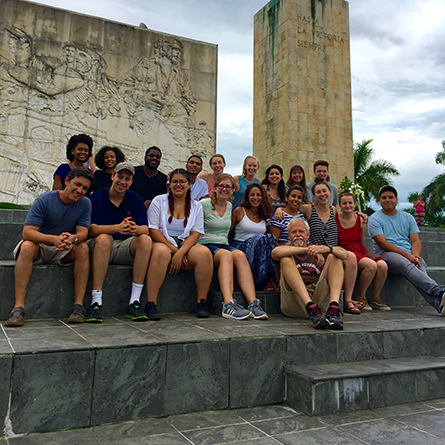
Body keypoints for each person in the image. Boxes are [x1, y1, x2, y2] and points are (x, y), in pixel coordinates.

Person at [5, 168, 95, 327]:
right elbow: (27, 232)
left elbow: (83, 233)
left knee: (83, 248)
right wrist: (52, 239)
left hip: (63, 249)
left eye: (85, 188)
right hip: (40, 246)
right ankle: (18, 309)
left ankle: (78, 307)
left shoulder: (85, 203)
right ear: (67, 181)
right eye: (77, 184)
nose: (80, 190)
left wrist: (72, 238)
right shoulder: (45, 199)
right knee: (26, 247)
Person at [86, 162, 153, 323]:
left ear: (131, 182)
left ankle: (134, 302)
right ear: (112, 176)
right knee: (103, 238)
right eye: (120, 177)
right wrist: (117, 227)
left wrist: (133, 228)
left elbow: (145, 229)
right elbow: (92, 229)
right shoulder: (96, 197)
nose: (122, 182)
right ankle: (96, 302)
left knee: (145, 240)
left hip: (124, 247)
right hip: (100, 247)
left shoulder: (135, 198)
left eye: (127, 179)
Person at [199, 173, 268, 320]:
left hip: (223, 243)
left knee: (240, 255)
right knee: (226, 255)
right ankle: (228, 304)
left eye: (228, 187)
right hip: (205, 243)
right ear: (215, 188)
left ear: (232, 191)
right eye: (221, 186)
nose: (225, 189)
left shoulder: (230, 206)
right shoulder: (204, 204)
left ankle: (253, 303)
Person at [146, 168, 213, 319]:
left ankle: (201, 302)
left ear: (189, 184)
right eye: (174, 181)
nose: (178, 185)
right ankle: (151, 303)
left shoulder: (197, 206)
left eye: (182, 181)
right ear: (169, 184)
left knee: (205, 254)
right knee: (161, 252)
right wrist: (175, 252)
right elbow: (153, 229)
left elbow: (195, 233)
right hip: (162, 241)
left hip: (185, 244)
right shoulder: (159, 201)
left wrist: (181, 252)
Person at [368, 185, 445, 315]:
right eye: (384, 197)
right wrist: (407, 255)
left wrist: (415, 256)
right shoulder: (374, 219)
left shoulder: (407, 217)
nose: (387, 200)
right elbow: (382, 243)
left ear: (396, 199)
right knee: (404, 262)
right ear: (380, 200)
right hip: (386, 254)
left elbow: (415, 240)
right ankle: (438, 290)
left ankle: (439, 304)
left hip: (408, 254)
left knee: (420, 267)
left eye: (391, 197)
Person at [272, 217, 348, 329]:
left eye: (301, 232)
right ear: (289, 236)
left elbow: (344, 254)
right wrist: (307, 250)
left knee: (335, 257)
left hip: (319, 301)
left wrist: (326, 249)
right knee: (285, 259)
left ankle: (334, 309)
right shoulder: (286, 249)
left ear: (308, 235)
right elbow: (275, 252)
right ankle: (310, 306)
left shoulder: (319, 249)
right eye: (294, 232)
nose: (298, 234)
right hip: (294, 301)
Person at [297, 179, 358, 313]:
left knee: (351, 257)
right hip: (316, 250)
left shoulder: (334, 209)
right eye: (318, 192)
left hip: (333, 249)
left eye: (324, 191)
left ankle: (348, 299)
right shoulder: (309, 209)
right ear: (314, 196)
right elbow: (291, 206)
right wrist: (279, 209)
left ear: (330, 193)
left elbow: (348, 215)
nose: (322, 194)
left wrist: (359, 215)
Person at [336, 192, 389, 312]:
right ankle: (361, 297)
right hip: (344, 250)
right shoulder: (335, 218)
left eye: (350, 203)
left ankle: (375, 298)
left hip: (358, 248)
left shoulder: (360, 219)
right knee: (371, 266)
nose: (347, 205)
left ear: (354, 204)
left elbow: (360, 240)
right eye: (344, 203)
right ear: (340, 205)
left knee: (382, 266)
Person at [231, 183, 277, 290]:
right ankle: (262, 282)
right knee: (262, 238)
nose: (255, 198)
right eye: (252, 195)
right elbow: (228, 231)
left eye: (258, 195)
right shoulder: (239, 211)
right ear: (247, 197)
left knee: (270, 238)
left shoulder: (263, 215)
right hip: (240, 247)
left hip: (258, 249)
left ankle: (270, 280)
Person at [130, 146, 168, 210]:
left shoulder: (164, 179)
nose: (154, 158)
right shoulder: (134, 172)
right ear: (145, 158)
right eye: (151, 155)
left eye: (157, 157)